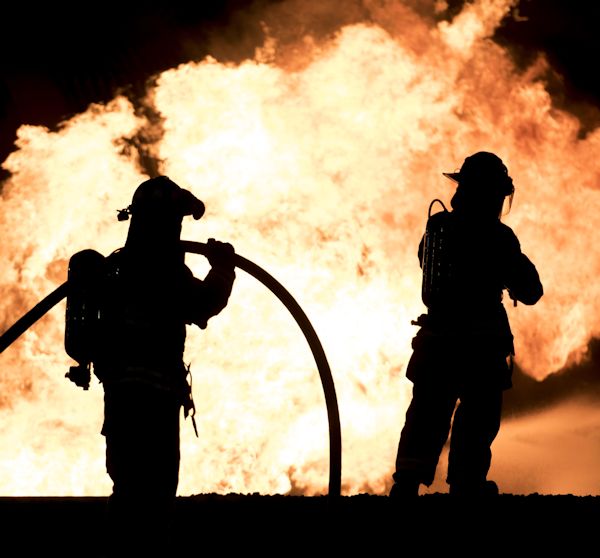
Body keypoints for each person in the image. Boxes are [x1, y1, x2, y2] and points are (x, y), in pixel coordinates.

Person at [93, 176, 236, 553]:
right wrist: (223, 269)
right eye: (176, 220)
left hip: (121, 402)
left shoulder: (118, 269)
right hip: (154, 404)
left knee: (127, 489)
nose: (177, 230)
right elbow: (203, 304)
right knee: (154, 495)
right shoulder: (162, 270)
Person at [390, 151, 543, 498]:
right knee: (477, 417)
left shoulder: (438, 228)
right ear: (492, 193)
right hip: (480, 347)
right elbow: (531, 290)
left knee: (426, 413)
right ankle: (466, 483)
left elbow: (423, 262)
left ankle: (407, 483)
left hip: (436, 341)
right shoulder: (498, 237)